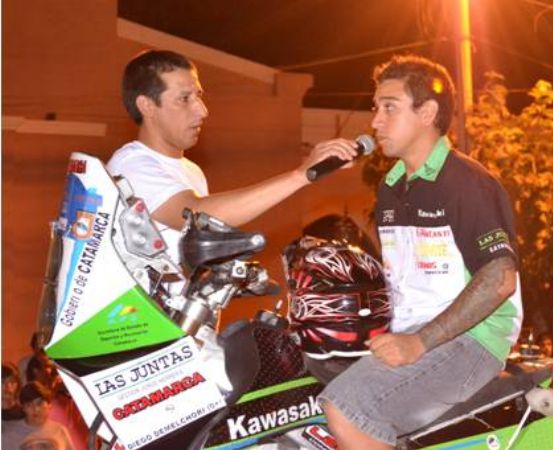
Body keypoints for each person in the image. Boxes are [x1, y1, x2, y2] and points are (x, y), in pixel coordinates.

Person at [318, 55, 522, 449]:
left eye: (389, 107)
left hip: (472, 341)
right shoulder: (392, 188)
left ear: (427, 111)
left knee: (349, 405)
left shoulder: (467, 182)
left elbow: (499, 278)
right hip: (414, 332)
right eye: (376, 108)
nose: (375, 121)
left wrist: (419, 342)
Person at [106, 50, 357, 271]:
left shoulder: (190, 171)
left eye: (199, 96)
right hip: (131, 323)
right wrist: (300, 176)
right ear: (147, 106)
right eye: (184, 99)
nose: (202, 110)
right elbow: (195, 216)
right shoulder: (130, 165)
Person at [4, 382, 74, 450]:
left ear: (49, 405)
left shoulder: (60, 431)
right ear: (23, 408)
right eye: (29, 405)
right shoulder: (11, 433)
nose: (35, 409)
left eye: (39, 403)